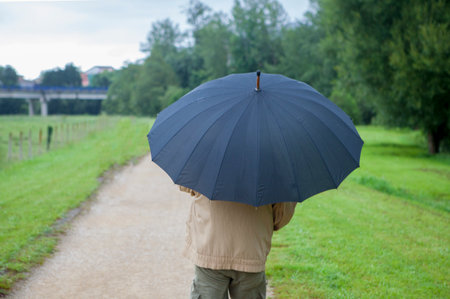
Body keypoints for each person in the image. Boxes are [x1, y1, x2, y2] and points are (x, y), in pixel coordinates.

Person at [180, 186, 297, 299]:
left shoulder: (206, 166)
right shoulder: (272, 170)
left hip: (210, 248)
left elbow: (185, 184)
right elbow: (282, 215)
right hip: (251, 250)